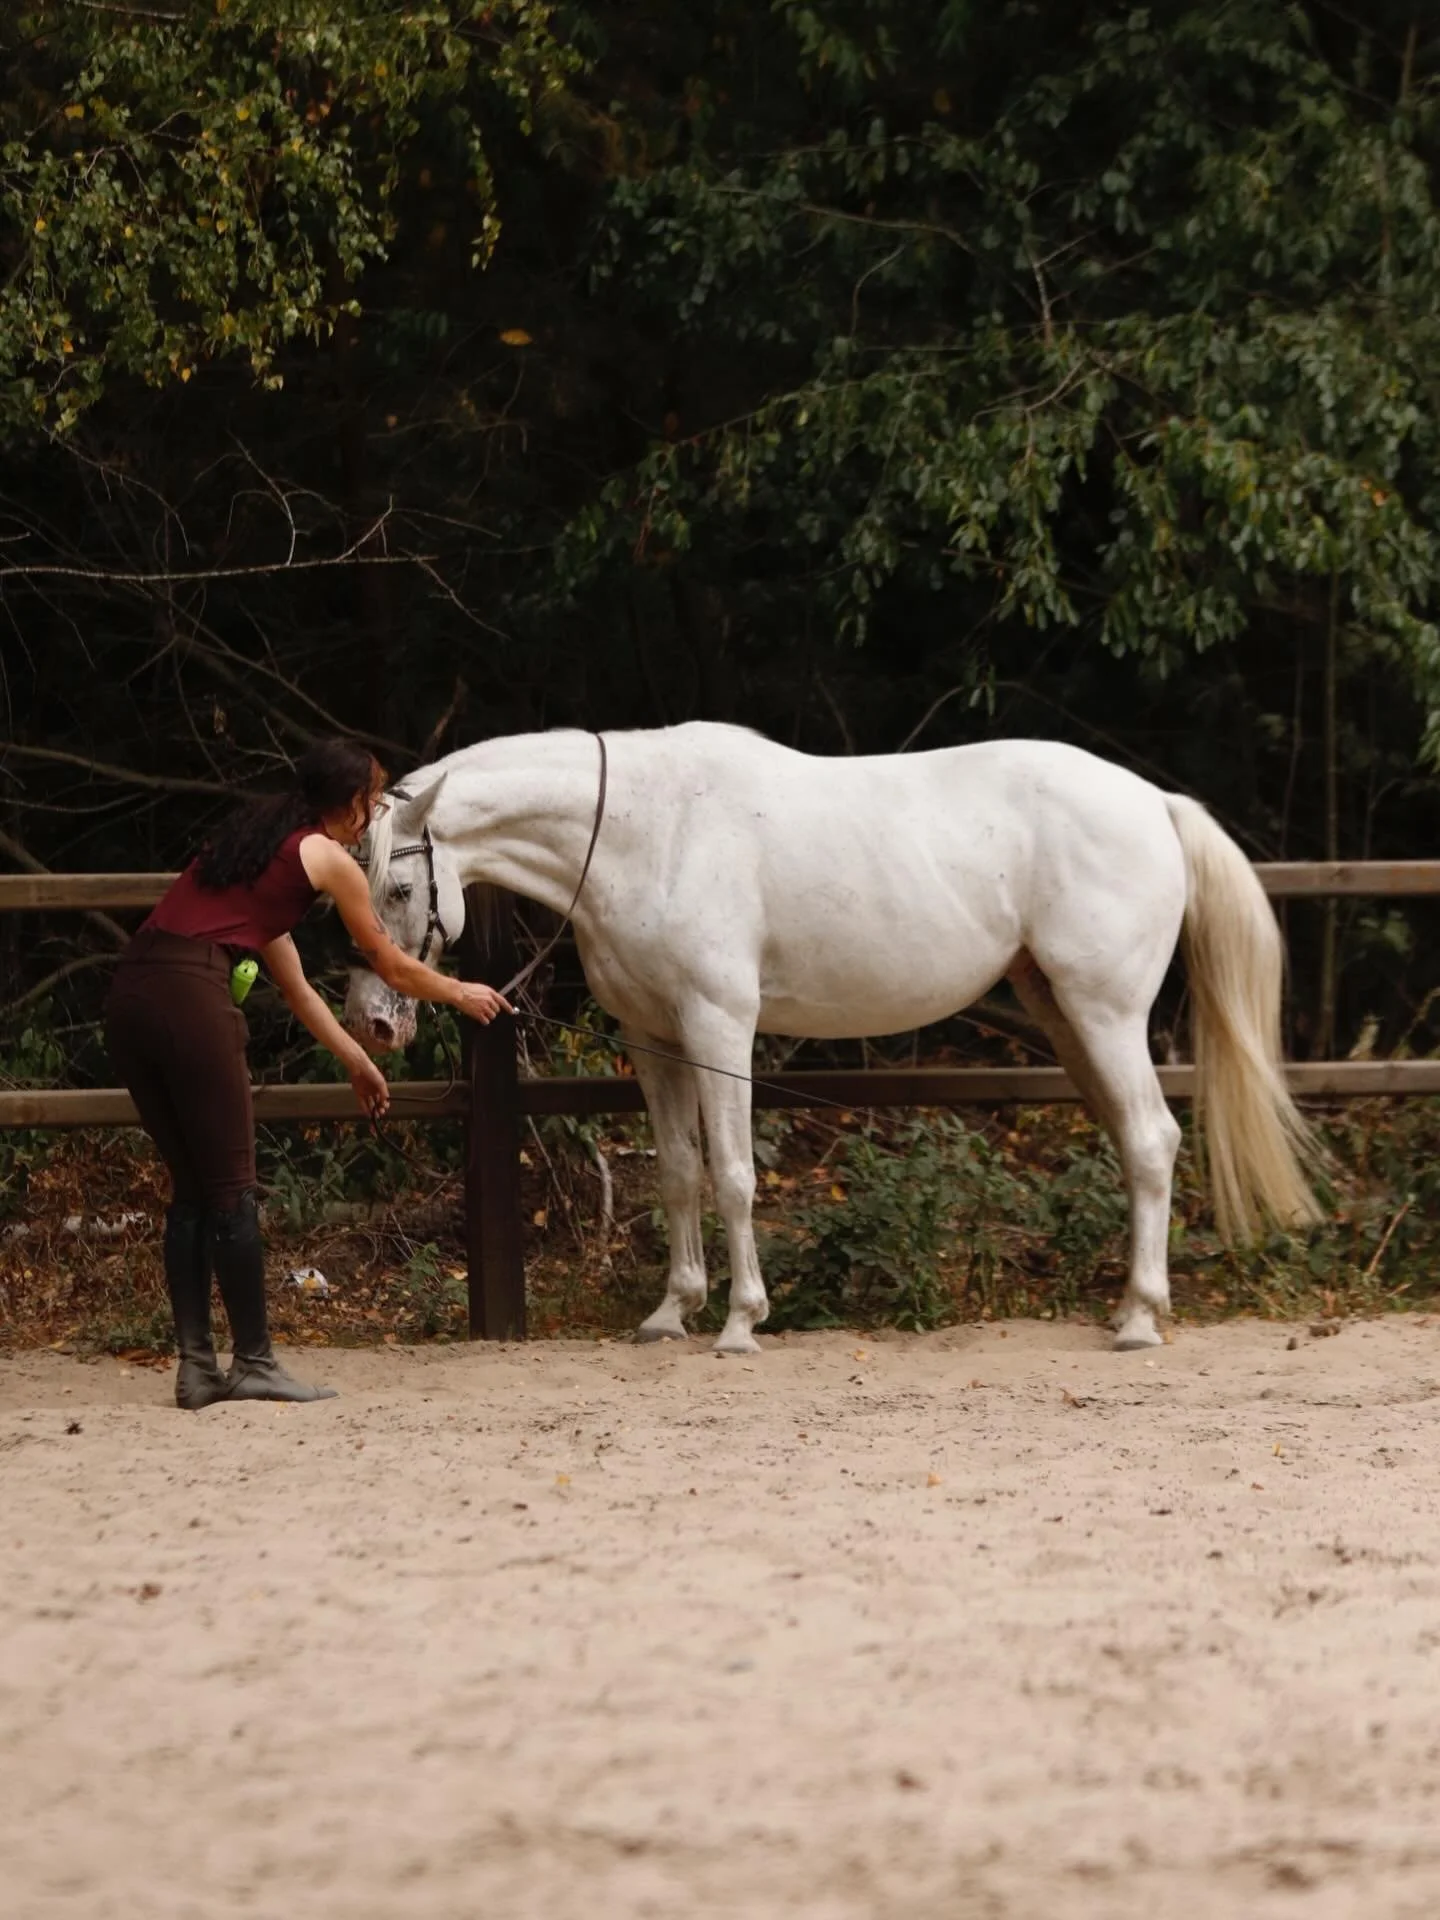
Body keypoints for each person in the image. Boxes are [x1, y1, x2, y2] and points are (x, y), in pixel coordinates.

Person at [104, 737, 510, 1411]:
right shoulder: (330, 859)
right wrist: (462, 991)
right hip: (192, 1000)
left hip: (132, 997)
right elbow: (393, 966)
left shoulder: (250, 857)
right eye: (373, 797)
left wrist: (355, 1061)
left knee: (193, 1192)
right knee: (231, 1190)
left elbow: (297, 989)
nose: (376, 809)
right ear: (351, 803)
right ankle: (255, 1362)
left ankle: (197, 1366)